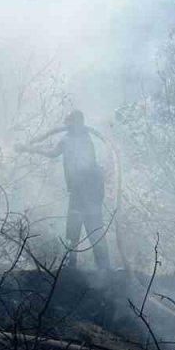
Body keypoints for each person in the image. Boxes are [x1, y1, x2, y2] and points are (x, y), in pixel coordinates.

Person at [15, 110, 112, 270]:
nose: (68, 125)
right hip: (83, 193)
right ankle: (79, 267)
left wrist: (28, 149)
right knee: (79, 230)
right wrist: (28, 149)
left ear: (77, 122)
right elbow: (53, 152)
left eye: (70, 122)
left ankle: (99, 269)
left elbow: (55, 153)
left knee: (88, 230)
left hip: (87, 194)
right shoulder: (74, 139)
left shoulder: (79, 140)